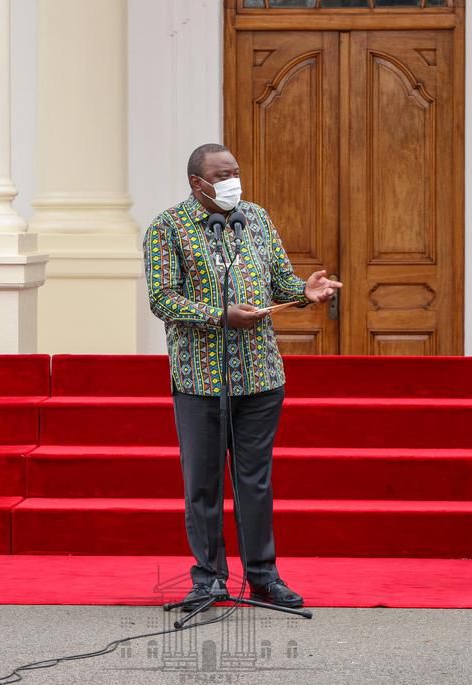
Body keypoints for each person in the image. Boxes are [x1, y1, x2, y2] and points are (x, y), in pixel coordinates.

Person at [143, 143, 341, 609]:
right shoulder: (167, 228)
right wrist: (219, 316)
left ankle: (263, 576)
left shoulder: (255, 216)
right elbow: (162, 298)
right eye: (222, 173)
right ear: (198, 183)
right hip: (201, 379)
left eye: (235, 170)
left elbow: (278, 280)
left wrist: (303, 291)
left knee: (254, 481)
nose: (233, 180)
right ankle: (209, 578)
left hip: (260, 375)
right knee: (204, 483)